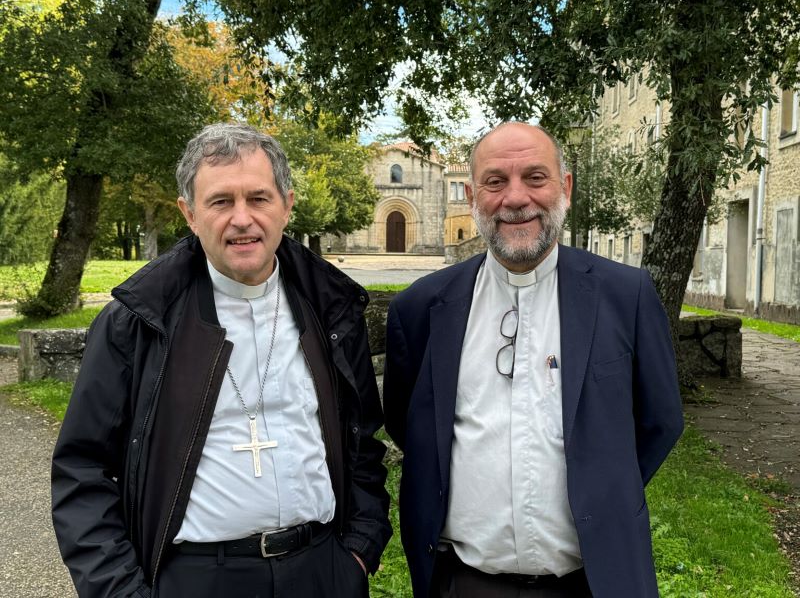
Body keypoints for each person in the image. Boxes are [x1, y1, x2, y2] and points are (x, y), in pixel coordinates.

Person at [52, 123, 391, 598]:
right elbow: (82, 469)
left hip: (322, 571)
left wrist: (358, 550)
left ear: (287, 205)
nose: (242, 219)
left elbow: (362, 444)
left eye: (259, 198)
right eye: (220, 202)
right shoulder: (137, 322)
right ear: (189, 214)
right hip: (198, 578)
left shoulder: (331, 310)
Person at [383, 122, 684, 598]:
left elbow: (660, 421)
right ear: (472, 194)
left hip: (595, 582)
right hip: (462, 583)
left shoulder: (627, 297)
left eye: (535, 177)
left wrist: (600, 487)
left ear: (564, 186)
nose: (516, 198)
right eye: (496, 181)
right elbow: (412, 427)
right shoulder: (420, 309)